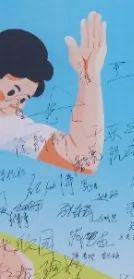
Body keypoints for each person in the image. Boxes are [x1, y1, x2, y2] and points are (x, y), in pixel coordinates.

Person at [0, 14, 106, 172]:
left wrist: (89, 76)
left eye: (23, 100)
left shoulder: (9, 125)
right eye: (11, 91)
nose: (14, 104)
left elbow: (84, 158)